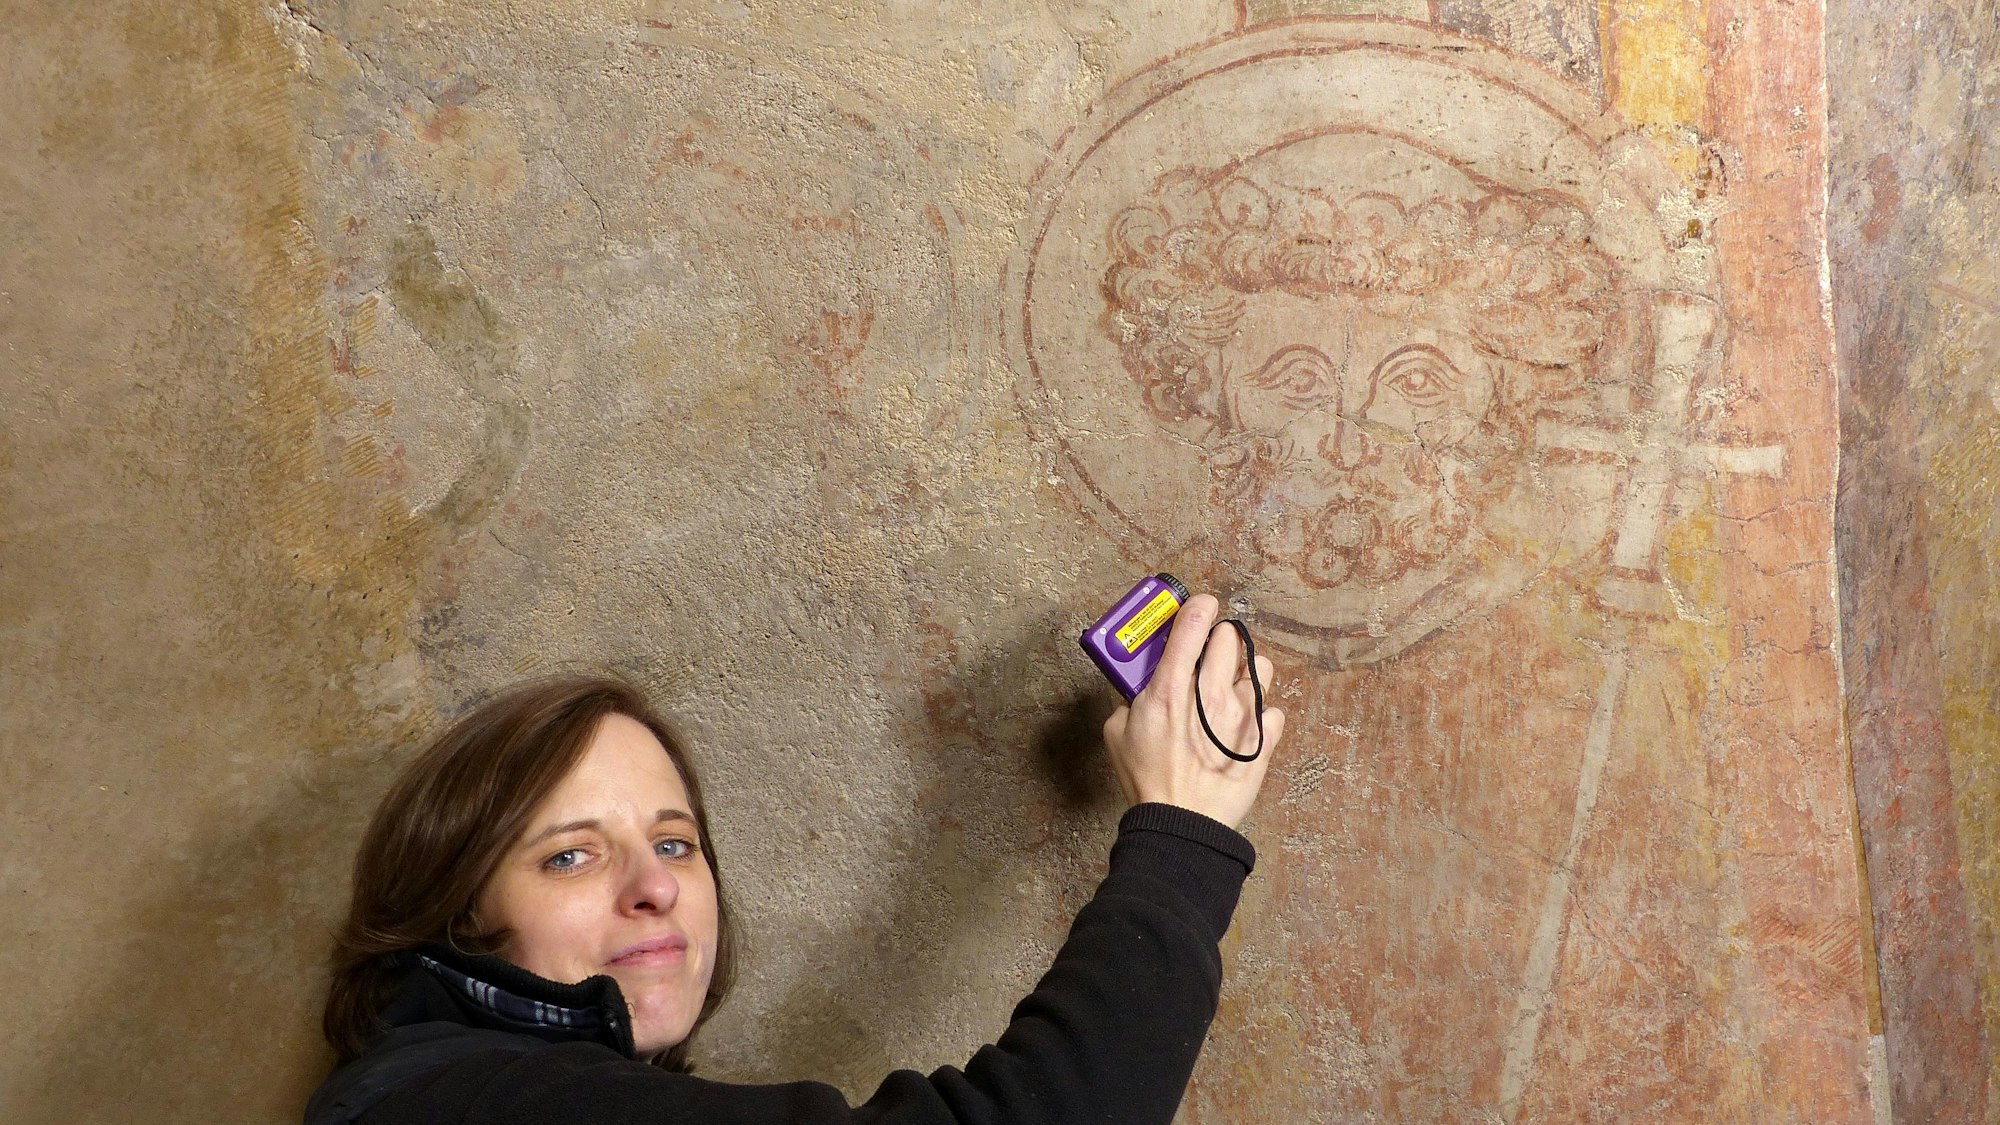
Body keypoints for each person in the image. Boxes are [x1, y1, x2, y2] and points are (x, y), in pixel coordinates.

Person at [305, 593, 1284, 1125]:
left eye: (675, 843)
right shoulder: (451, 1104)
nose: (654, 888)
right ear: (455, 913)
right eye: (569, 858)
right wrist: (1183, 831)